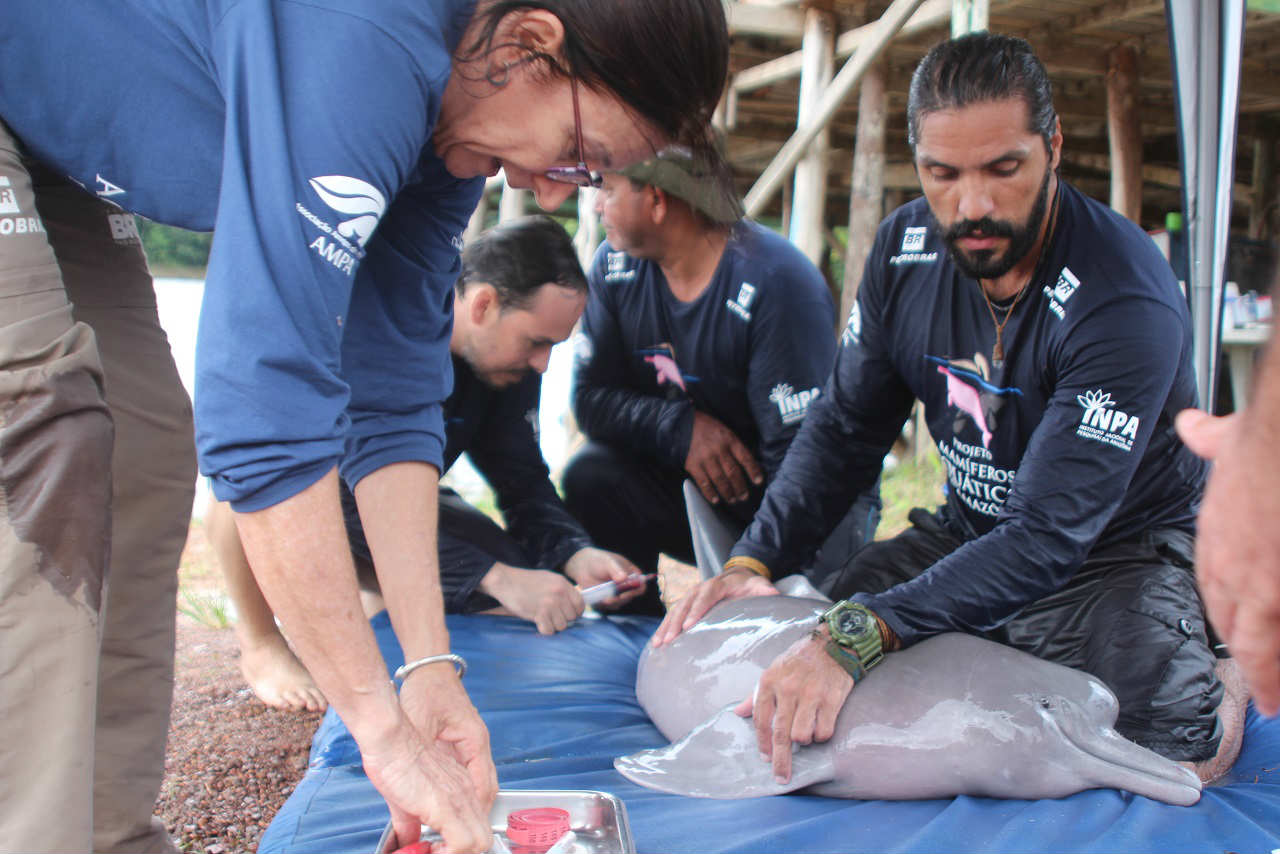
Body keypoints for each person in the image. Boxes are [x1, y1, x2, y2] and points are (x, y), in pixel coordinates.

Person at [0, 0, 728, 850]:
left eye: (589, 177)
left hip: (59, 141)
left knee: (144, 452)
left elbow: (392, 400)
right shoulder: (364, 38)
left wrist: (428, 670)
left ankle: (107, 832)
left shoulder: (453, 134)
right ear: (529, 43)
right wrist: (380, 730)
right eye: (577, 152)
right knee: (51, 439)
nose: (548, 190)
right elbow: (265, 405)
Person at [655, 31, 1246, 786]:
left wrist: (864, 635)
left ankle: (1225, 654)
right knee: (825, 618)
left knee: (1173, 751)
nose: (974, 206)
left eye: (1004, 169)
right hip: (971, 530)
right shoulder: (904, 251)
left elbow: (1048, 534)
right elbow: (844, 428)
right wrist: (755, 558)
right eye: (942, 174)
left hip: (1111, 548)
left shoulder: (1123, 295)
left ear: (1053, 148)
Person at [211, 217, 647, 710]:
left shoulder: (507, 364)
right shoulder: (387, 336)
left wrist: (573, 553)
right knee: (251, 478)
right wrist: (495, 576)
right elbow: (343, 496)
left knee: (517, 588)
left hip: (401, 498)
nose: (543, 364)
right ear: (483, 304)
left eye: (554, 345)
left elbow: (522, 480)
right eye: (537, 342)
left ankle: (380, 613)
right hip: (314, 483)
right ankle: (261, 643)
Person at [563, 149, 881, 614]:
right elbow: (590, 401)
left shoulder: (776, 282)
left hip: (806, 497)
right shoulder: (614, 267)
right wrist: (681, 428)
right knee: (591, 476)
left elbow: (806, 458)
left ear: (656, 200)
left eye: (607, 189)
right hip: (710, 492)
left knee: (793, 625)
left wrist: (753, 564)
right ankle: (638, 631)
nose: (595, 205)